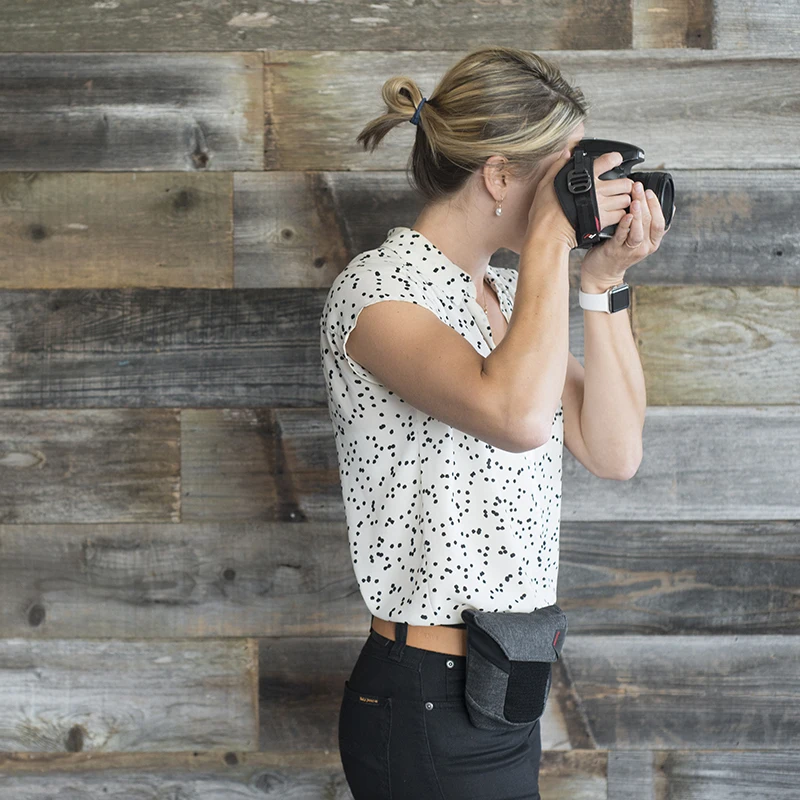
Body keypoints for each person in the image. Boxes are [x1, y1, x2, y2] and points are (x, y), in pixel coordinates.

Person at [320, 45, 670, 800]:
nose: (575, 202)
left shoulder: (510, 298)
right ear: (500, 174)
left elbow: (614, 450)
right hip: (424, 696)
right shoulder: (378, 292)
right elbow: (515, 418)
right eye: (561, 179)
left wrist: (602, 285)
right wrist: (549, 239)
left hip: (503, 685)